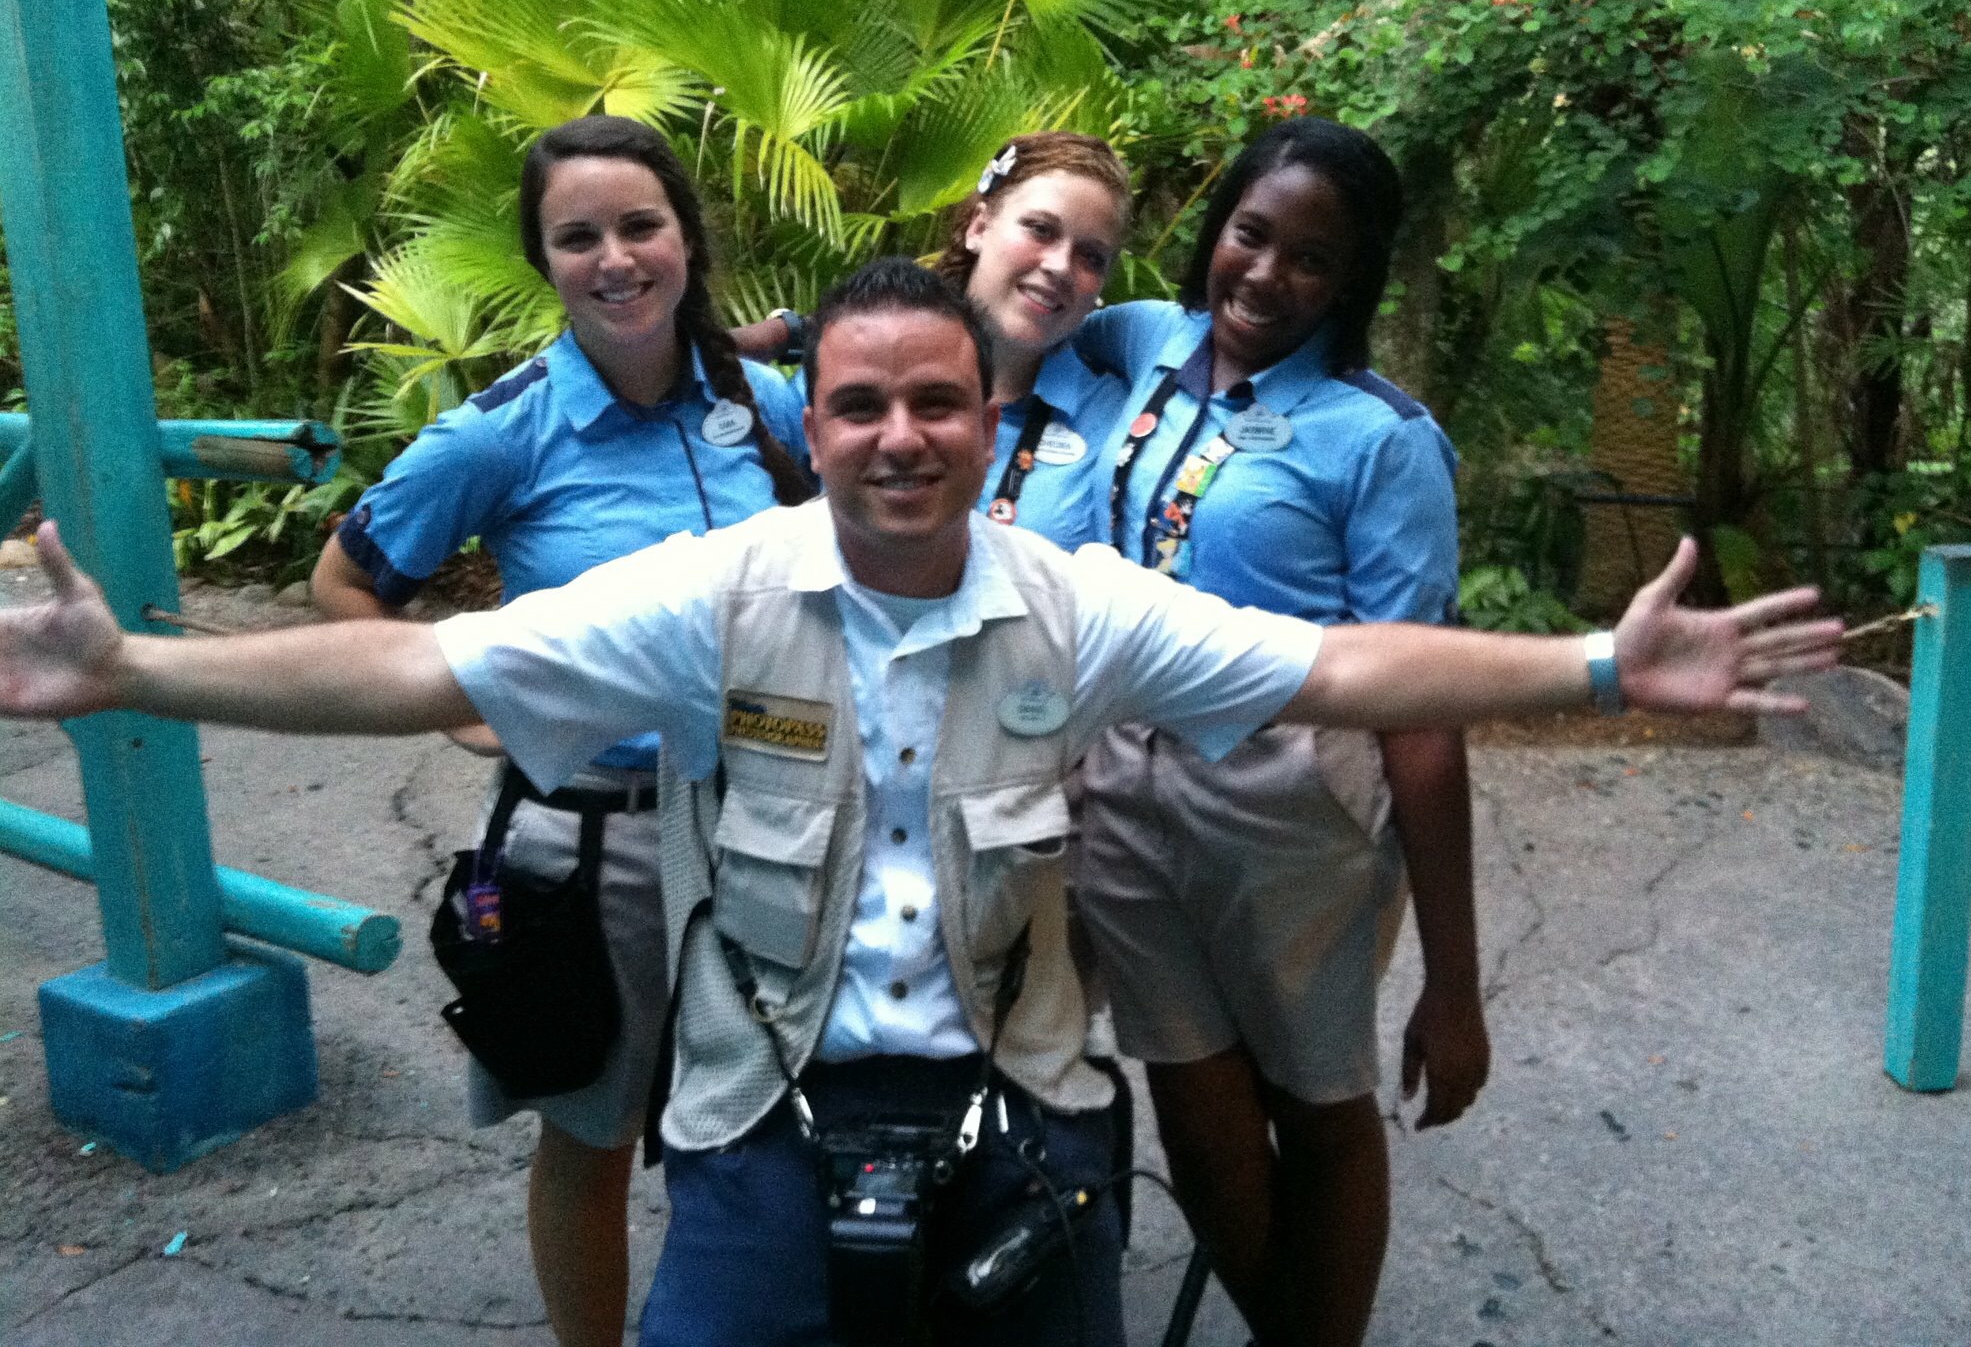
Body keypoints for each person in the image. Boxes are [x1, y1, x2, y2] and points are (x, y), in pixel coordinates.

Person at [0, 259, 1841, 1347]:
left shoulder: (1069, 600)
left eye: (939, 405)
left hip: (1018, 1101)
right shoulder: (711, 594)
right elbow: (422, 670)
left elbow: (1338, 668)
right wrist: (136, 668)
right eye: (862, 405)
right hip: (757, 1106)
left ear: (987, 422)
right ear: (813, 421)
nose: (900, 437)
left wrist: (1596, 665)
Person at [307, 113, 811, 1347]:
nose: (615, 258)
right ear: (542, 260)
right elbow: (345, 581)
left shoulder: (767, 403)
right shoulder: (500, 429)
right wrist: (474, 716)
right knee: (595, 1132)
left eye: (640, 225)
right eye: (577, 237)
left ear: (686, 237)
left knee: (762, 1119)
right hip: (600, 842)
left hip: (765, 819)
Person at [1068, 116, 1478, 1345]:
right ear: (1216, 228)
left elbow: (1421, 701)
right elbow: (1000, 307)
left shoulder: (1381, 438)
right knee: (1190, 1094)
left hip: (1289, 802)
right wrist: (771, 340)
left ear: (1350, 279)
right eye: (1250, 234)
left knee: (1313, 1096)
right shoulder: (1146, 338)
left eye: (1311, 258)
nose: (1265, 273)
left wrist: (1454, 983)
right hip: (1119, 779)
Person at [742, 131, 1133, 550]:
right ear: (978, 227)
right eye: (1040, 229)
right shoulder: (851, 371)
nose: (1060, 266)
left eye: (1091, 257)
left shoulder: (1112, 420)